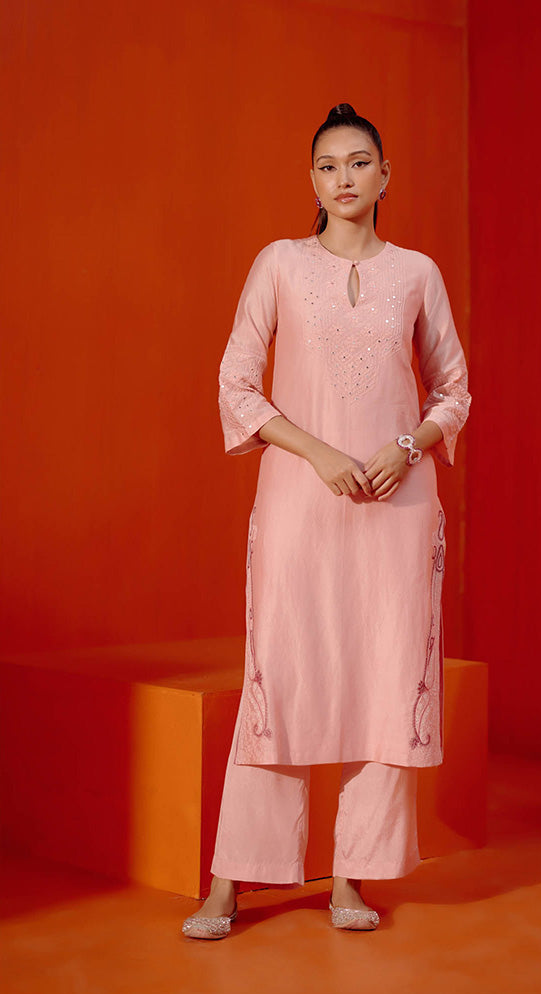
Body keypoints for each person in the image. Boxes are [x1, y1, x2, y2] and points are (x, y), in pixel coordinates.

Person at [182, 103, 471, 939]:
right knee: (280, 679)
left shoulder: (416, 274)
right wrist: (318, 453)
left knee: (383, 680)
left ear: (385, 175)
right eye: (328, 165)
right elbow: (237, 384)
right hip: (301, 503)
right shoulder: (279, 264)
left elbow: (453, 390)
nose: (344, 178)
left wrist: (407, 447)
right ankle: (230, 883)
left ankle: (351, 877)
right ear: (312, 180)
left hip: (396, 511)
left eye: (359, 162)